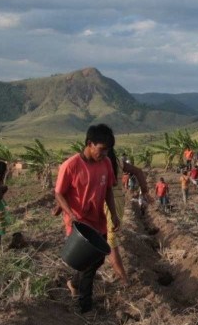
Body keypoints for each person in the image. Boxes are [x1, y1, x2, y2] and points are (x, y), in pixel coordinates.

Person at [54, 124, 119, 314]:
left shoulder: (105, 163)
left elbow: (108, 190)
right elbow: (59, 193)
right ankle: (84, 306)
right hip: (80, 223)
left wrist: (113, 214)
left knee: (98, 258)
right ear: (90, 144)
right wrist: (71, 214)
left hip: (98, 218)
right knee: (90, 265)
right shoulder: (71, 165)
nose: (105, 154)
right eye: (102, 149)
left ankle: (74, 282)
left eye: (108, 150)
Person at [104, 147, 148, 287]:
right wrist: (145, 192)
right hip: (118, 199)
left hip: (109, 201)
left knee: (110, 239)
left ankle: (123, 278)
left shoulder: (103, 162)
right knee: (107, 237)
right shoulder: (118, 161)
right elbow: (139, 171)